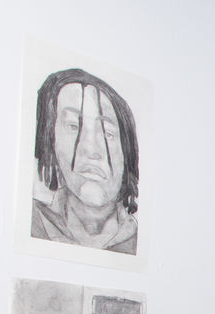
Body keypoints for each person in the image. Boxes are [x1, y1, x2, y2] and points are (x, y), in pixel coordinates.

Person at [31, 68, 140, 254]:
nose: (91, 150)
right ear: (50, 140)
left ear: (127, 152)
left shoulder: (138, 242)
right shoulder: (33, 223)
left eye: (108, 133)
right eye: (73, 126)